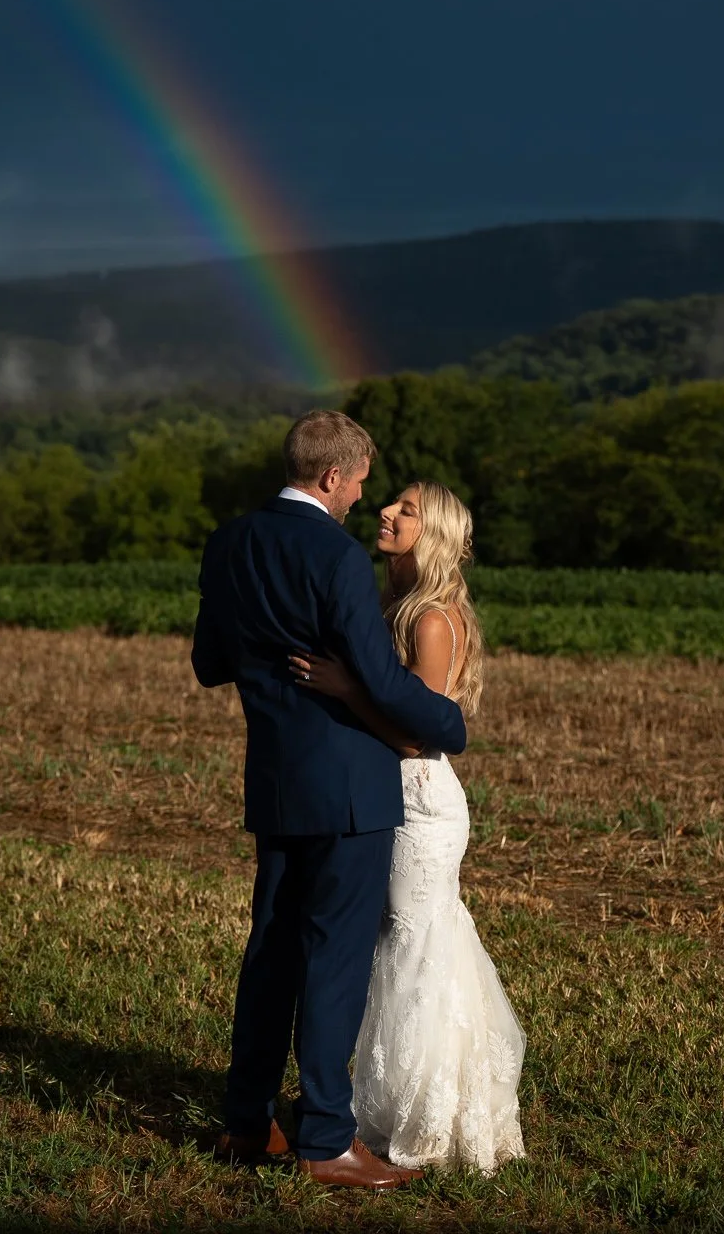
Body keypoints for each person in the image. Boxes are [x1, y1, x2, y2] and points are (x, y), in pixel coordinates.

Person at [191, 411, 467, 1191]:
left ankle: (247, 1123)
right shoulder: (338, 558)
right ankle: (325, 1142)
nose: (361, 498)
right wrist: (449, 723)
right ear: (330, 478)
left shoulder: (229, 543)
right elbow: (379, 685)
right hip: (349, 786)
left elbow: (211, 662)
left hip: (275, 777)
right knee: (334, 961)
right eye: (358, 483)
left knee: (269, 951)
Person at [291, 480, 525, 1172]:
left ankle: (428, 1116)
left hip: (419, 802)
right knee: (400, 950)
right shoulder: (394, 603)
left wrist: (344, 691)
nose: (386, 513)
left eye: (406, 510)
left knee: (415, 948)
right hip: (389, 795)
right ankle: (385, 1104)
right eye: (389, 502)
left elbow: (420, 736)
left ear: (435, 533)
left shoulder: (428, 618)